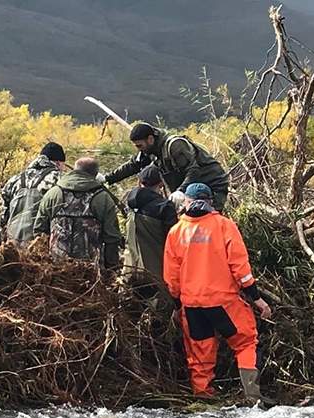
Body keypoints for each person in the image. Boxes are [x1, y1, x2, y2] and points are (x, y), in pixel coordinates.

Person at [163, 183, 272, 402]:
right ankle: (252, 395)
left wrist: (178, 306)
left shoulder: (176, 232)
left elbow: (171, 278)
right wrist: (256, 298)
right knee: (246, 342)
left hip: (191, 304)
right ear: (211, 202)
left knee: (199, 353)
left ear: (186, 202)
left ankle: (204, 399)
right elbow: (240, 268)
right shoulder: (224, 226)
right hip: (223, 301)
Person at [103, 123, 229, 211]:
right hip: (191, 189)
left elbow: (193, 170)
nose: (139, 149)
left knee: (209, 220)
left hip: (212, 184)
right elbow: (134, 165)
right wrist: (107, 178)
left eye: (139, 146)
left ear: (150, 139)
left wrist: (180, 190)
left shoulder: (175, 145)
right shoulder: (151, 150)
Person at [34, 157, 122, 268]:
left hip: (55, 270)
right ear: (95, 175)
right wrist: (111, 268)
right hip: (91, 273)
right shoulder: (102, 198)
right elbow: (112, 238)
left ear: (74, 170)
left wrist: (42, 263)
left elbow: (39, 230)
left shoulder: (53, 193)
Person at [123, 163, 178, 297]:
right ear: (161, 184)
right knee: (160, 311)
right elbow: (173, 241)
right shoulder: (164, 207)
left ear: (140, 182)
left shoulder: (129, 203)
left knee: (130, 309)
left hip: (130, 269)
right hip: (156, 272)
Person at [0, 142, 66, 244]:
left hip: (12, 243)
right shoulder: (59, 179)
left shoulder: (15, 179)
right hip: (38, 245)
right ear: (58, 162)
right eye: (63, 165)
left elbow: (3, 215)